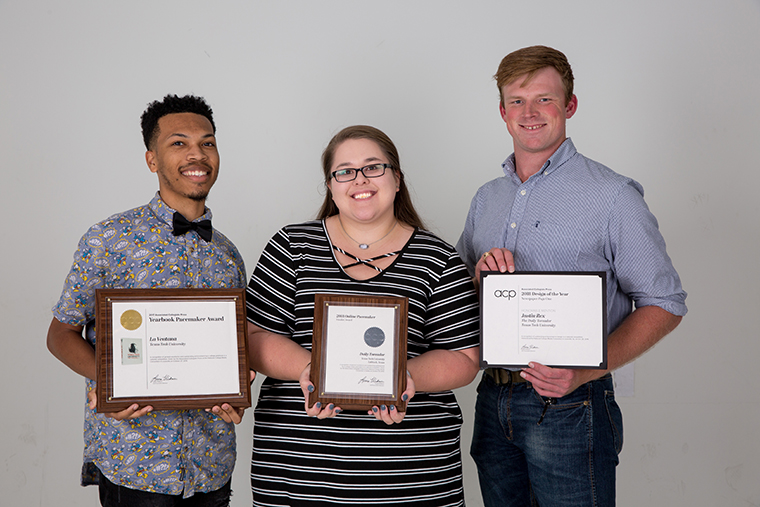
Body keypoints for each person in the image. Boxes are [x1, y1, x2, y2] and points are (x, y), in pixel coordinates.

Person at [456, 46, 688, 506]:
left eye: (544, 98)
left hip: (571, 406)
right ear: (502, 111)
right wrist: (478, 277)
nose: (530, 113)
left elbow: (665, 302)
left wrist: (587, 371)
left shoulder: (613, 196)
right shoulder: (487, 198)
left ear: (570, 105)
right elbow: (456, 295)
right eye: (517, 101)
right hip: (492, 400)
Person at [245, 125, 480, 506]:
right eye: (345, 171)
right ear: (331, 185)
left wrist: (406, 378)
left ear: (397, 179)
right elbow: (253, 338)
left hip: (412, 479)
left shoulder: (438, 259)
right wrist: (312, 371)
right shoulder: (292, 246)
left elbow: (466, 359)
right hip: (299, 474)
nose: (360, 180)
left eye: (374, 167)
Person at [47, 94, 249, 506]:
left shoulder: (228, 255)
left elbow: (235, 349)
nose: (197, 154)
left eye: (207, 143)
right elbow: (60, 333)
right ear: (151, 160)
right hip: (134, 462)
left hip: (211, 465)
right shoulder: (108, 239)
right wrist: (110, 384)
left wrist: (239, 386)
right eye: (179, 143)